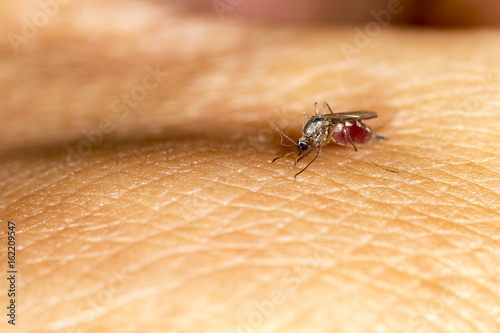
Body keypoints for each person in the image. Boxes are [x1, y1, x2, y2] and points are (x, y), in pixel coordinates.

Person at [2, 0, 499, 331]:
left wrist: (348, 138)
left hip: (352, 131)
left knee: (331, 123)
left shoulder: (323, 134)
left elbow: (331, 125)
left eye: (306, 149)